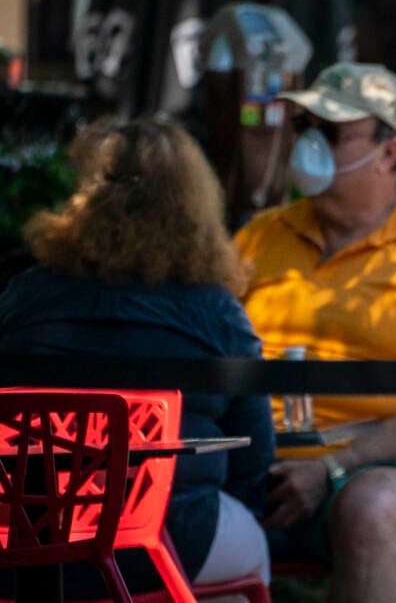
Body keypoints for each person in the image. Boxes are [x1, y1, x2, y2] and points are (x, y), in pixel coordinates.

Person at [234, 62, 396, 603]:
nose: (309, 143)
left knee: (368, 509)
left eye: (332, 132)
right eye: (305, 126)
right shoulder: (259, 238)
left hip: (392, 475)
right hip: (255, 470)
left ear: (390, 151)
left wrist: (330, 470)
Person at [0, 117, 274, 594]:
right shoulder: (219, 312)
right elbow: (254, 457)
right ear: (196, 206)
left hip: (29, 541)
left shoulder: (26, 296)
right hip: (169, 542)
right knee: (250, 540)